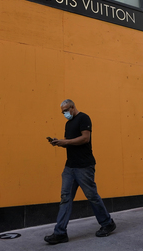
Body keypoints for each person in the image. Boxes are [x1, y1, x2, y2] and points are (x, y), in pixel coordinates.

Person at [44, 99, 116, 245]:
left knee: (92, 196)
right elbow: (71, 143)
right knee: (65, 198)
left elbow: (85, 138)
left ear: (72, 107)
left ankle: (108, 223)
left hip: (84, 166)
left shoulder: (84, 118)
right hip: (70, 167)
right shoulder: (68, 123)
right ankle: (60, 233)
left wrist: (66, 142)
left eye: (65, 110)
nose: (64, 114)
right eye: (62, 112)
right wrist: (60, 143)